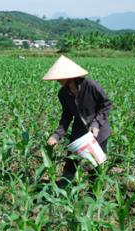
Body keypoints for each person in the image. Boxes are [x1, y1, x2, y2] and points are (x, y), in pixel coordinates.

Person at [43, 55, 112, 187]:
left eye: (59, 77)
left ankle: (94, 195)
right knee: (71, 161)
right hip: (79, 131)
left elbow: (106, 104)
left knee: (95, 165)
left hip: (99, 132)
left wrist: (96, 123)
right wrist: (57, 135)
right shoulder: (63, 93)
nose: (57, 80)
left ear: (69, 76)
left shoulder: (91, 86)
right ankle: (63, 188)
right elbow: (67, 116)